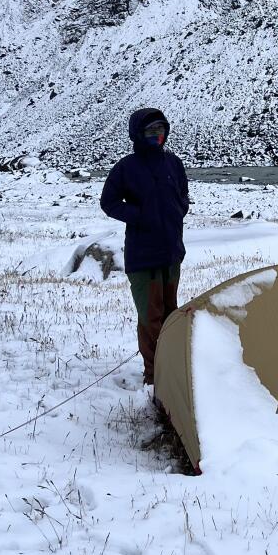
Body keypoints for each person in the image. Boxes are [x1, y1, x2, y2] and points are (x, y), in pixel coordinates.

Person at [99, 107, 189, 387]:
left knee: (171, 314)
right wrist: (139, 217)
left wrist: (178, 210)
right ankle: (154, 376)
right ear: (138, 134)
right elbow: (108, 202)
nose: (157, 136)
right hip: (143, 256)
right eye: (151, 131)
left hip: (171, 251)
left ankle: (171, 367)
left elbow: (183, 194)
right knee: (151, 317)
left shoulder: (173, 163)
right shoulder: (126, 167)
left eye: (160, 130)